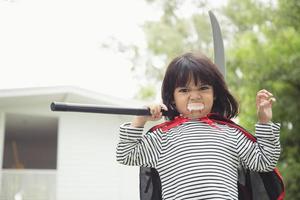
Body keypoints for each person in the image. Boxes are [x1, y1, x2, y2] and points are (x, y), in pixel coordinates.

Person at [116, 52, 283, 199]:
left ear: (214, 93)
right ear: (172, 97)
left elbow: (265, 161)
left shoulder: (231, 134)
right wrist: (140, 120)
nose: (195, 96)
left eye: (203, 88)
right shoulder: (162, 137)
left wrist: (264, 121)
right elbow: (126, 155)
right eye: (184, 90)